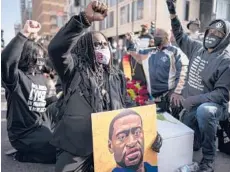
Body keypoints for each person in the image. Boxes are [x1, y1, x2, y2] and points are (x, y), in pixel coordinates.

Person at [48, 1, 162, 171]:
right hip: (78, 147)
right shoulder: (73, 70)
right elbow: (56, 49)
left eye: (104, 44)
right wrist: (83, 19)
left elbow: (127, 105)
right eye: (96, 45)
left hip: (111, 146)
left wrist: (150, 131)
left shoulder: (116, 75)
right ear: (84, 49)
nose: (102, 48)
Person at [166, 1, 230, 172]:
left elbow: (222, 95)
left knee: (204, 112)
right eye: (211, 31)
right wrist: (173, 14)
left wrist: (193, 100)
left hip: (213, 108)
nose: (213, 34)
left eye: (218, 33)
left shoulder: (227, 63)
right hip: (192, 105)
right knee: (189, 140)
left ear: (225, 38)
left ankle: (208, 160)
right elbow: (179, 35)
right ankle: (198, 137)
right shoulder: (196, 48)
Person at [1, 20, 56, 164]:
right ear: (27, 56)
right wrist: (24, 34)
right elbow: (6, 61)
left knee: (69, 139)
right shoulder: (16, 78)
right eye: (36, 55)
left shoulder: (41, 77)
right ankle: (24, 155)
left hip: (40, 125)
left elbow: (49, 104)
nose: (40, 59)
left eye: (41, 55)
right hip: (23, 134)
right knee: (58, 150)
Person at [126, 28, 187, 119]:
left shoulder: (175, 51)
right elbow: (135, 53)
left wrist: (177, 92)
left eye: (158, 35)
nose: (154, 37)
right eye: (154, 35)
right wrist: (131, 42)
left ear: (166, 37)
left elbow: (183, 72)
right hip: (152, 99)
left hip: (169, 98)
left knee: (172, 124)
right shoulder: (149, 52)